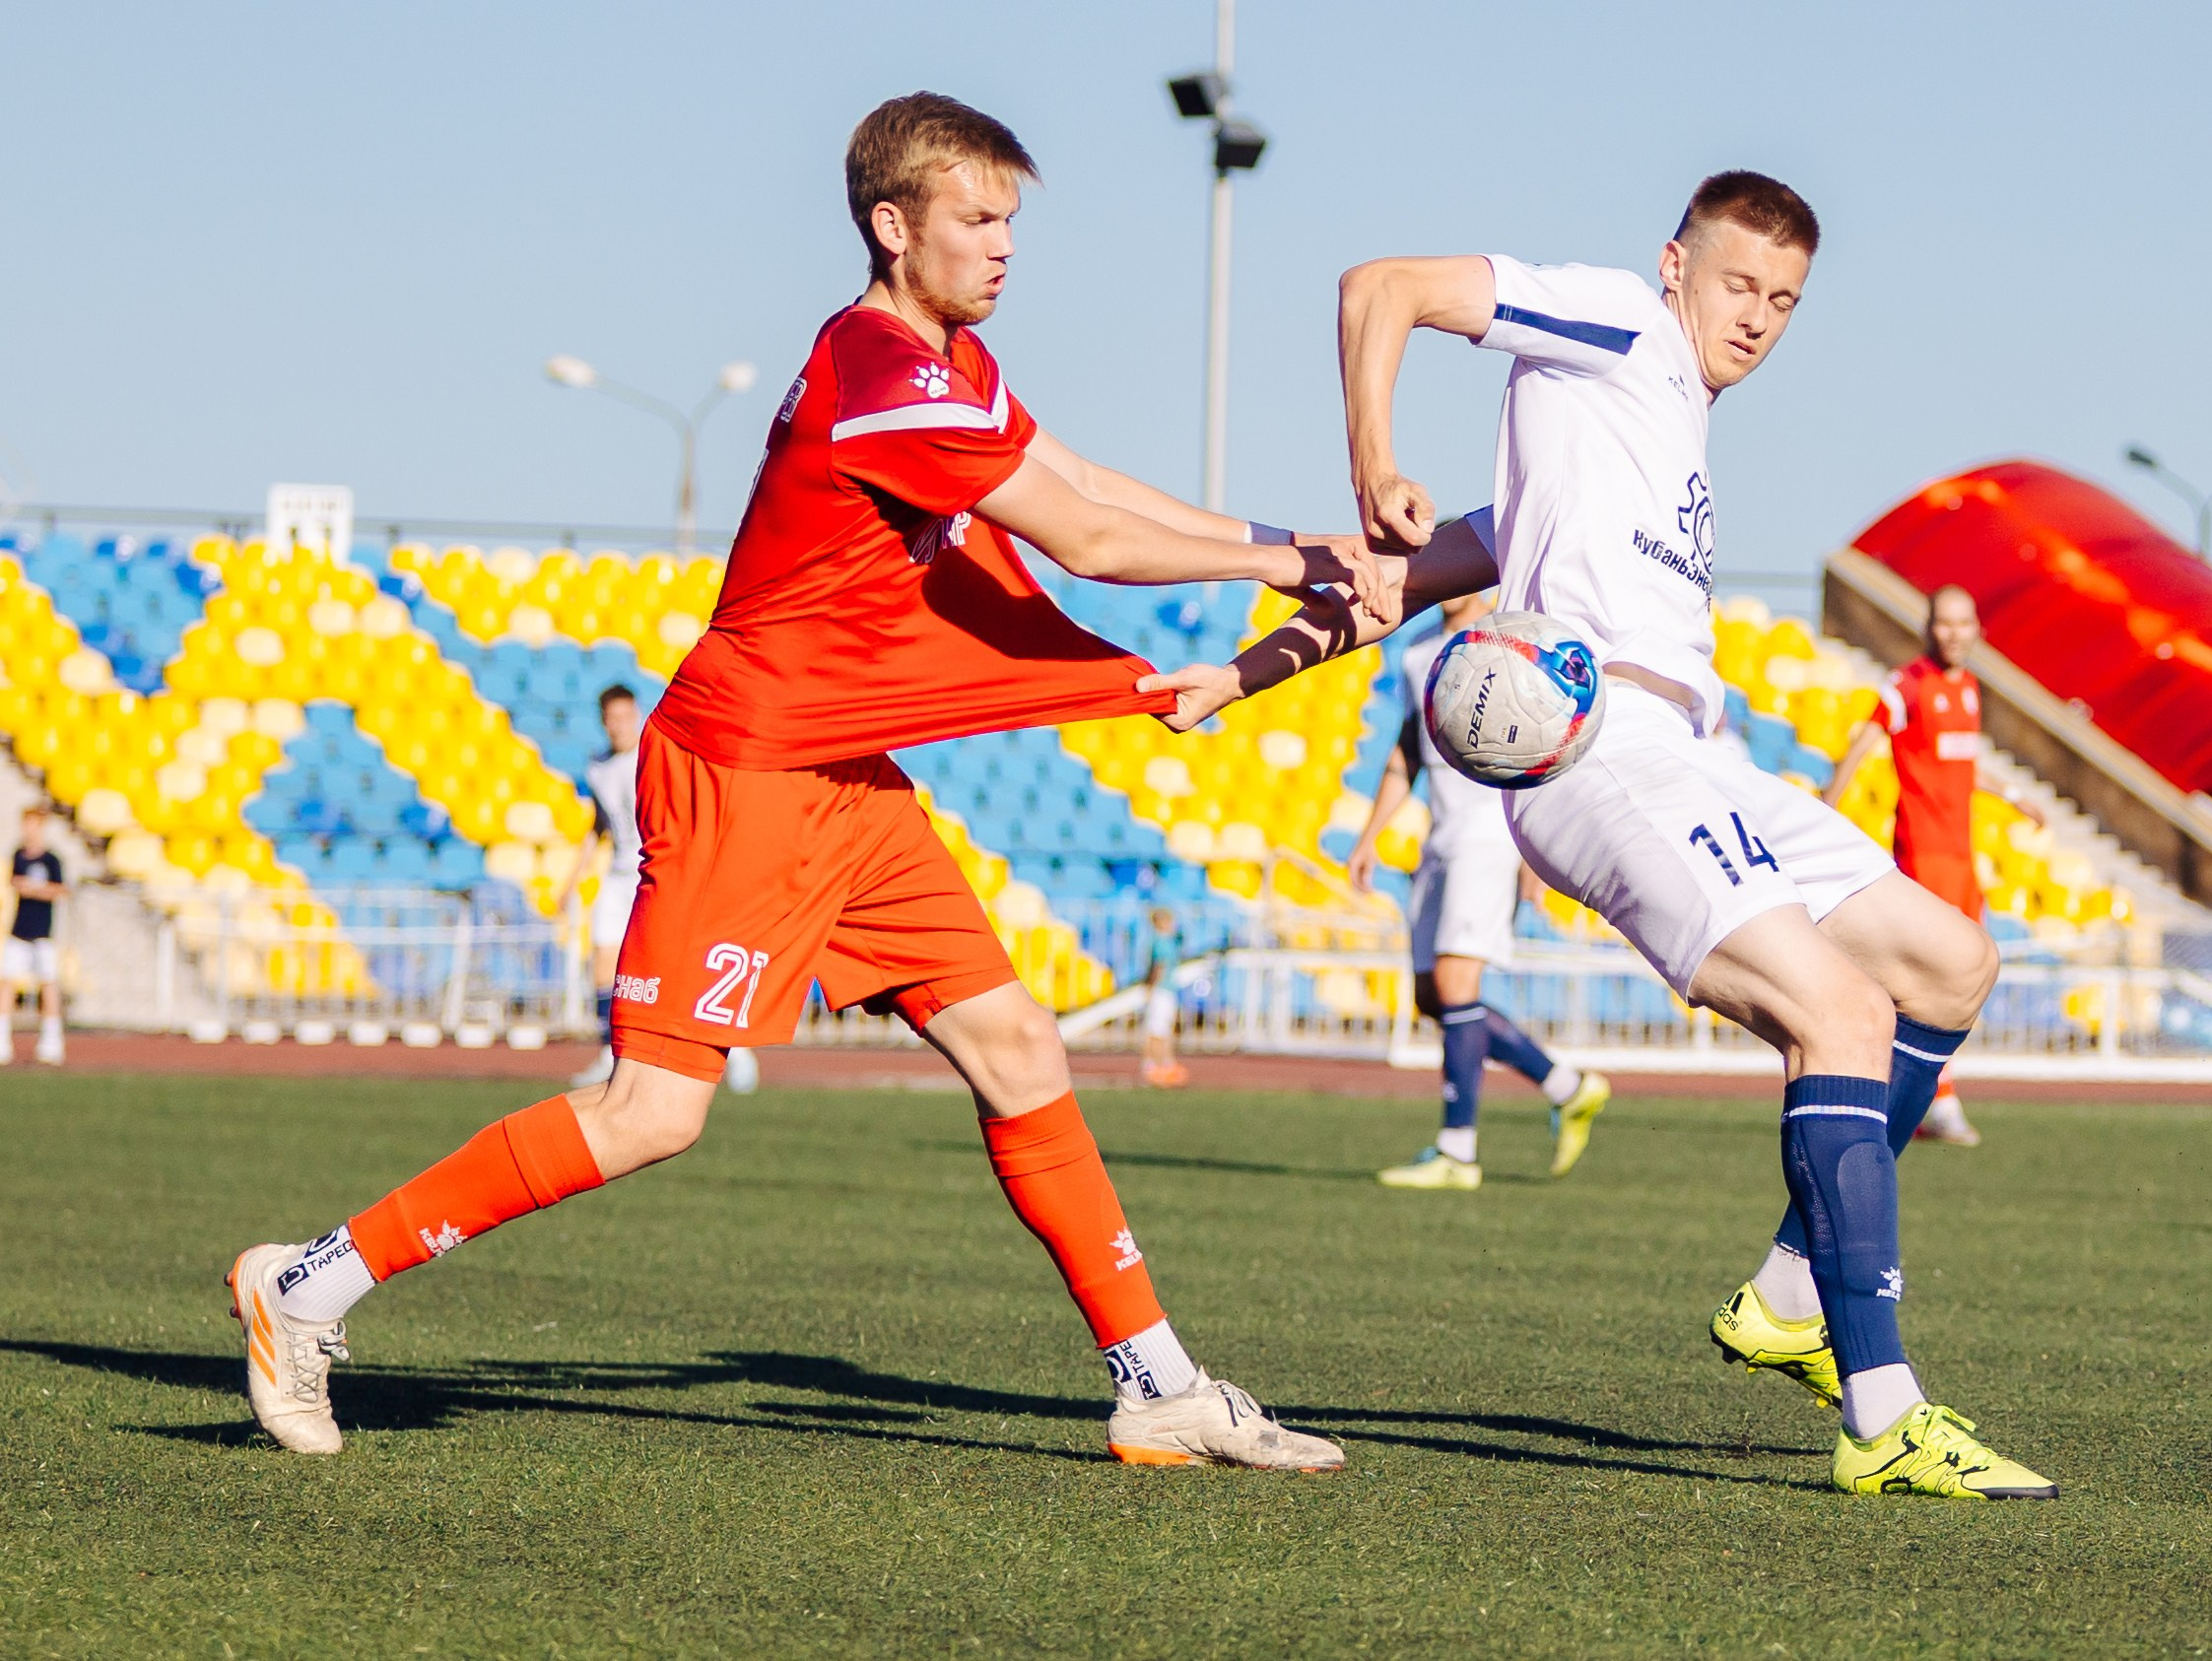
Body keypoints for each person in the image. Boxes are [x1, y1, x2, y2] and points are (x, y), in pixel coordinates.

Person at [226, 92, 1383, 1471]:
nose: (1005, 244)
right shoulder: (886, 381)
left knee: (1018, 1045)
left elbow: (1080, 472)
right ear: (894, 228)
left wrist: (1301, 539)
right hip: (748, 770)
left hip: (843, 770)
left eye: (1014, 219)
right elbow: (1085, 537)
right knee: (652, 1112)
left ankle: (1158, 1382)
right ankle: (304, 1287)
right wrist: (1294, 566)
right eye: (977, 218)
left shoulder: (939, 364)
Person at [1147, 172, 2054, 1496]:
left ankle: (1794, 1293)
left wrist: (1239, 677)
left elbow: (1400, 584)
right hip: (1601, 755)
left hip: (1692, 751)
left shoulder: (1618, 446)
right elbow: (1379, 287)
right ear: (1676, 266)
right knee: (1844, 1016)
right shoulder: (1620, 319)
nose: (1757, 318)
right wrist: (1374, 458)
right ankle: (1883, 1414)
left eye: (1784, 301)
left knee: (1950, 962)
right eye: (1738, 284)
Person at [1346, 577, 1610, 1188]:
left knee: (1457, 984)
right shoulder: (1417, 656)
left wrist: (1533, 854)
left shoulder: (1509, 642)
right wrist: (1369, 836)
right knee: (1432, 997)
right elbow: (1407, 751)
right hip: (1440, 839)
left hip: (1489, 838)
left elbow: (1549, 748)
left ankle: (1456, 1152)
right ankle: (1566, 1086)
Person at [1821, 584, 2033, 1147]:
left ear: (1978, 629)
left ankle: (1920, 1099)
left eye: (1964, 623)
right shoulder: (1908, 684)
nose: (1954, 633)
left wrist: (2012, 792)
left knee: (1962, 985)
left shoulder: (1968, 689)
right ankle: (1934, 1102)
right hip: (1923, 858)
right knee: (1933, 985)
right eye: (1944, 623)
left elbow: (1960, 767)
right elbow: (1866, 737)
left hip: (1963, 862)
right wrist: (1827, 805)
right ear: (1928, 627)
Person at [559, 685, 759, 1096]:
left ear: (634, 714)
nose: (619, 724)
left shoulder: (653, 753)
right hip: (617, 875)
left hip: (657, 868)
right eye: (612, 718)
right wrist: (572, 878)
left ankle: (731, 1047)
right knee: (603, 963)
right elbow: (600, 823)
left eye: (625, 715)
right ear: (603, 720)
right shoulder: (598, 766)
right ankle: (607, 1053)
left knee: (679, 963)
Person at [4, 807, 67, 1067]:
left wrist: (36, 889)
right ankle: (2, 1042)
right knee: (6, 982)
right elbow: (13, 883)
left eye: (33, 824)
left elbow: (61, 890)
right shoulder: (18, 855)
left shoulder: (51, 860)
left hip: (43, 933)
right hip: (19, 931)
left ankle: (51, 1044)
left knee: (48, 985)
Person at [1136, 906, 1189, 1089]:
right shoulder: (1160, 941)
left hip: (1167, 989)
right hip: (1162, 990)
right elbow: (1159, 966)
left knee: (1163, 1027)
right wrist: (1151, 987)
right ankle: (1154, 1064)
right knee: (1157, 1029)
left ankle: (1164, 1062)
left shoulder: (1166, 940)